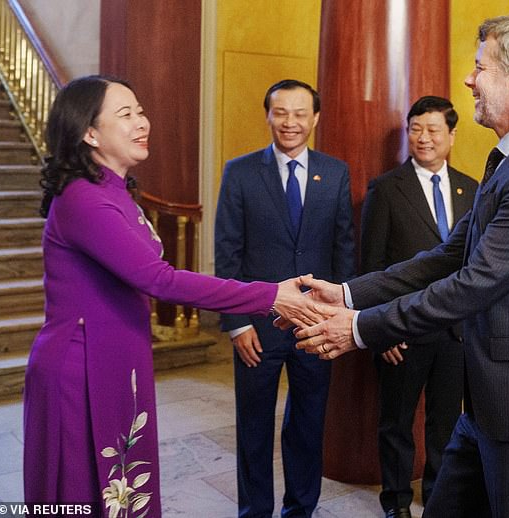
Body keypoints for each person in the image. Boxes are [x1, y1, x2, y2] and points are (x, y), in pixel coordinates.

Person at [294, 15, 509, 518]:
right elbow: (445, 258)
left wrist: (361, 329)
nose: (469, 80)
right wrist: (348, 295)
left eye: (480, 68)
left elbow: (471, 286)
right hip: (488, 402)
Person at [23, 75, 310, 516]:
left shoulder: (115, 190)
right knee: (81, 493)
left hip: (115, 354)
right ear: (89, 132)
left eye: (140, 111)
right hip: (80, 366)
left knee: (122, 485)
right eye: (126, 114)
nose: (143, 122)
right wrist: (269, 295)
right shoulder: (83, 199)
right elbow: (161, 280)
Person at [215, 79, 355, 517]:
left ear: (315, 118)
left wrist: (339, 316)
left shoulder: (335, 172)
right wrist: (236, 323)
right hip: (256, 325)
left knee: (308, 423)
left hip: (316, 324)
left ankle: (301, 510)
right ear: (268, 116)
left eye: (300, 114)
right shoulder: (239, 172)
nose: (290, 123)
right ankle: (253, 511)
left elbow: (343, 249)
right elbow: (227, 252)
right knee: (253, 427)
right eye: (281, 113)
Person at [360, 96, 477, 517]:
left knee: (445, 425)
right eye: (415, 129)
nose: (423, 138)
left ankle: (438, 498)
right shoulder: (386, 189)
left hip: (455, 333)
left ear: (451, 135)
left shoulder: (473, 189)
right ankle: (395, 503)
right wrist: (380, 329)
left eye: (432, 130)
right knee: (396, 423)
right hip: (403, 332)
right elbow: (372, 266)